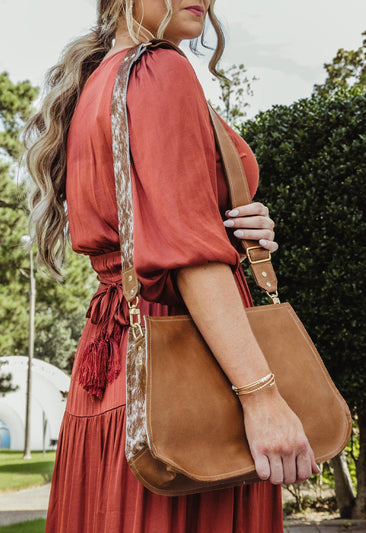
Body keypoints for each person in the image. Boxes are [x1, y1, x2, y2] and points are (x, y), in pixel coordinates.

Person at [24, 1, 319, 531]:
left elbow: (161, 225)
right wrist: (263, 396)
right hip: (186, 371)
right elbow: (191, 259)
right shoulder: (160, 69)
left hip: (115, 366)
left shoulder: (101, 80)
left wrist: (235, 225)